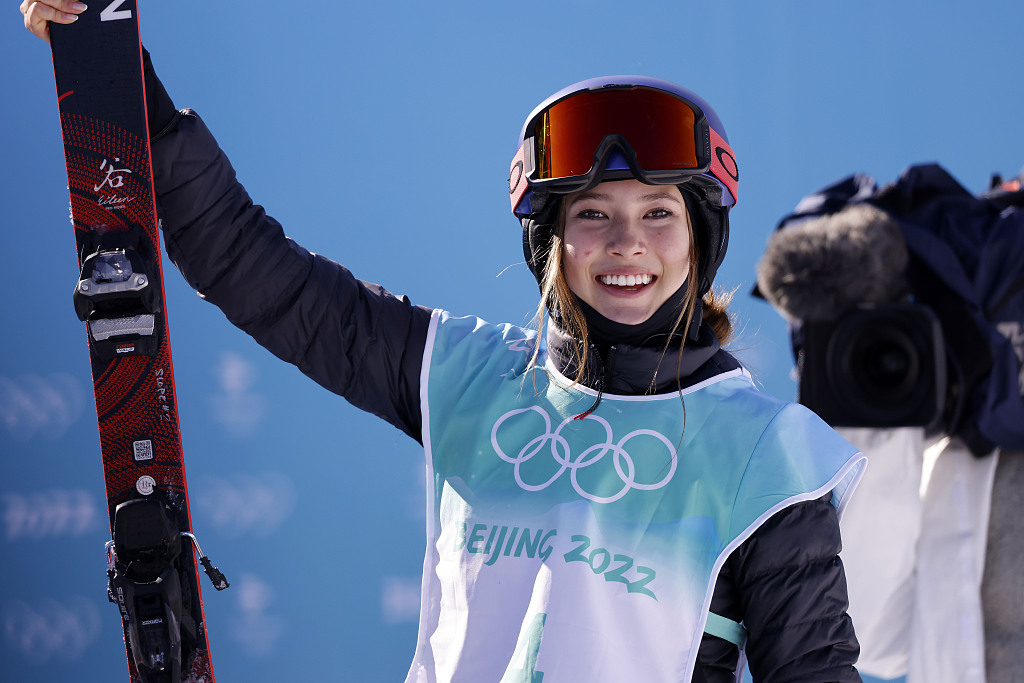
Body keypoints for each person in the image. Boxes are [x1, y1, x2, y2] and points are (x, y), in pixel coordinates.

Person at [23, 3, 867, 681]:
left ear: (700, 238)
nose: (626, 244)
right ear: (552, 245)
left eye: (659, 214)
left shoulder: (765, 457)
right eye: (593, 216)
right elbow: (256, 269)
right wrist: (123, 84)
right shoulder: (471, 377)